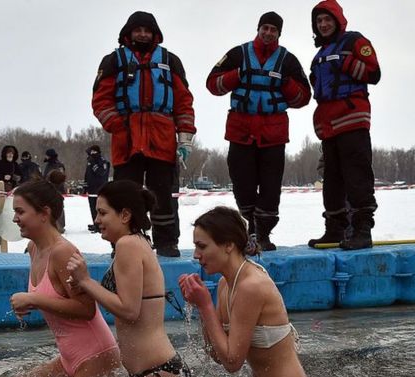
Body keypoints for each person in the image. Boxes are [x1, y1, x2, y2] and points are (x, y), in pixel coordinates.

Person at [179, 206, 322, 377]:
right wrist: (199, 307)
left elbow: (233, 362)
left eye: (202, 246)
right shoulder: (227, 284)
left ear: (228, 245)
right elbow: (217, 355)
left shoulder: (251, 285)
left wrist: (205, 305)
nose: (195, 255)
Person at [66, 180, 192, 377]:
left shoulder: (128, 245)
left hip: (158, 374)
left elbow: (129, 310)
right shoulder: (136, 242)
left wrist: (86, 281)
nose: (97, 220)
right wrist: (87, 288)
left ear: (125, 215)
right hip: (152, 374)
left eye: (103, 213)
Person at [92, 11, 197, 257]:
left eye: (147, 30)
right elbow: (101, 100)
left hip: (162, 138)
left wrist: (185, 138)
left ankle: (167, 242)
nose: (142, 34)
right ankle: (125, 243)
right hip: (126, 140)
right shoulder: (113, 61)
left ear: (154, 34)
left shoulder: (171, 61)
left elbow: (183, 101)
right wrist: (117, 125)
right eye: (138, 30)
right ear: (128, 33)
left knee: (164, 194)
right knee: (124, 197)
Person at [206, 11, 311, 250]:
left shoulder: (288, 61)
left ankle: (263, 234)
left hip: (273, 135)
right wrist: (237, 75)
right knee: (242, 183)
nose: (268, 33)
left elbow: (304, 97)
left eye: (273, 30)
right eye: (265, 28)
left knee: (271, 188)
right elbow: (212, 83)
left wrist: (285, 82)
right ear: (258, 29)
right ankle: (250, 227)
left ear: (278, 34)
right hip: (240, 133)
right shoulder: (238, 54)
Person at [8, 179, 121, 377]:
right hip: (69, 356)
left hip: (94, 354)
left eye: (20, 212)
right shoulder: (34, 248)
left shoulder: (63, 252)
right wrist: (28, 305)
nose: (15, 218)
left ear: (44, 213)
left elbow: (87, 309)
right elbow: (53, 298)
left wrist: (34, 299)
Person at [306, 0, 381, 250]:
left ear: (338, 20)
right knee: (332, 179)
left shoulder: (354, 41)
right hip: (329, 126)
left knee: (357, 176)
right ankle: (335, 228)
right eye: (319, 21)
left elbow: (374, 74)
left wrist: (345, 63)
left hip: (352, 120)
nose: (324, 24)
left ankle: (362, 229)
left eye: (328, 19)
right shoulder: (319, 55)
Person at [83, 145, 111, 233]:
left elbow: (101, 172)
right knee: (92, 208)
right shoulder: (90, 161)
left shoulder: (102, 161)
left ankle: (101, 225)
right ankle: (96, 224)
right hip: (91, 189)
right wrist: (85, 186)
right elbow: (87, 175)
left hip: (99, 189)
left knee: (99, 208)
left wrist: (94, 164)